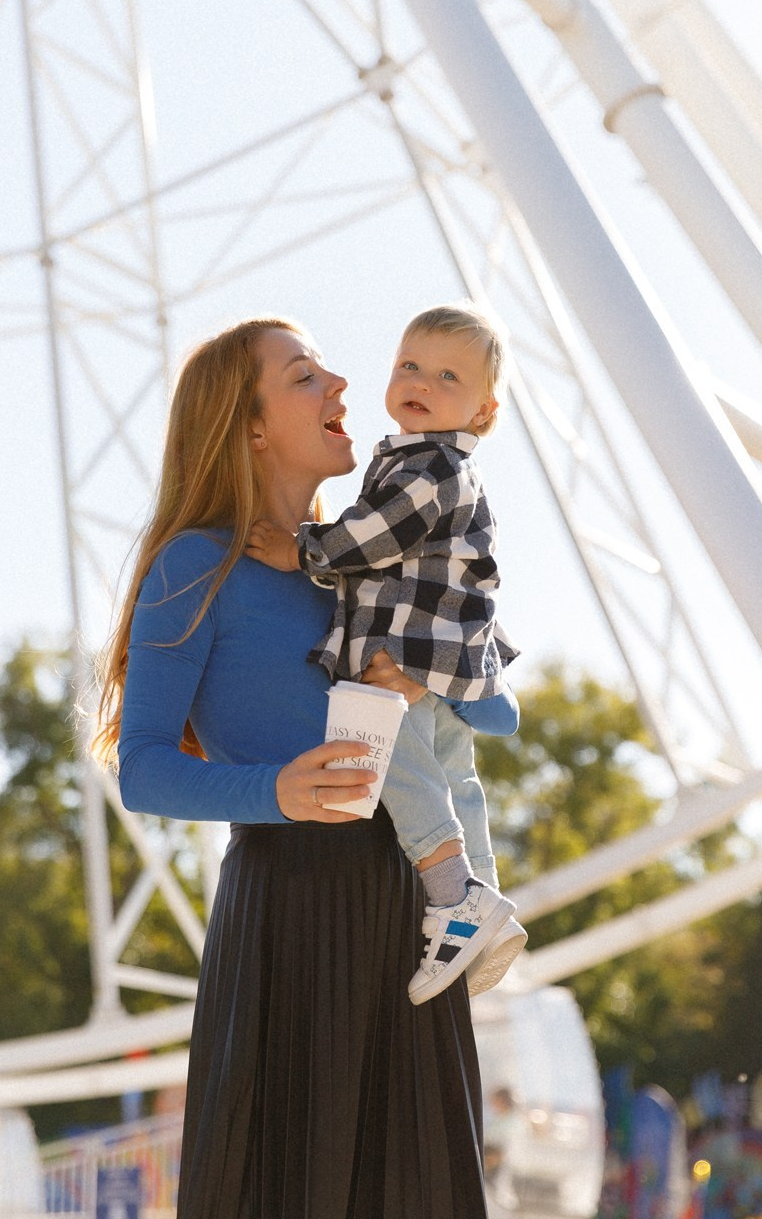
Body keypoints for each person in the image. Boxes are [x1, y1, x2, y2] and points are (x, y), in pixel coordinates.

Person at [92, 317, 490, 1218]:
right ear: (252, 425)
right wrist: (275, 790)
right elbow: (144, 769)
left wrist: (439, 680)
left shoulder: (355, 572)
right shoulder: (192, 566)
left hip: (410, 911)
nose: (343, 387)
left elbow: (468, 707)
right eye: (306, 377)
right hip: (289, 911)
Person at [246, 304, 527, 1004]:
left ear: (483, 411)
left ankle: (452, 897)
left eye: (445, 376)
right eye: (409, 365)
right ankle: (486, 901)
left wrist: (300, 549)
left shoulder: (427, 467)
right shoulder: (431, 463)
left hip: (404, 656)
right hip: (441, 659)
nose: (420, 381)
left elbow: (375, 536)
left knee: (399, 772)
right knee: (455, 780)